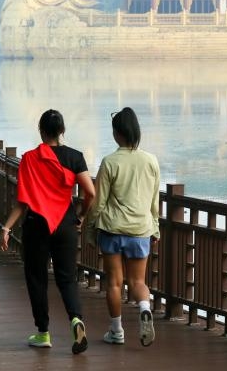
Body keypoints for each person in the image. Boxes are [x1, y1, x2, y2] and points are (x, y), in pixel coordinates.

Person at [0, 109, 95, 354]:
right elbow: (90, 193)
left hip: (36, 224)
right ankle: (76, 319)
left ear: (41, 131)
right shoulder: (75, 157)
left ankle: (43, 333)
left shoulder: (30, 159)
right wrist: (81, 216)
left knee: (37, 278)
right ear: (62, 131)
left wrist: (7, 227)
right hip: (65, 224)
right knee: (67, 278)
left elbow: (22, 201)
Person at [88, 107, 160, 347]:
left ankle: (116, 332)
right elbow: (153, 202)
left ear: (117, 134)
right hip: (141, 229)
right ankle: (144, 308)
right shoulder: (151, 161)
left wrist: (90, 226)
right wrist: (156, 228)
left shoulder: (109, 162)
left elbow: (99, 201)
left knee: (114, 283)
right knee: (138, 282)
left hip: (112, 229)